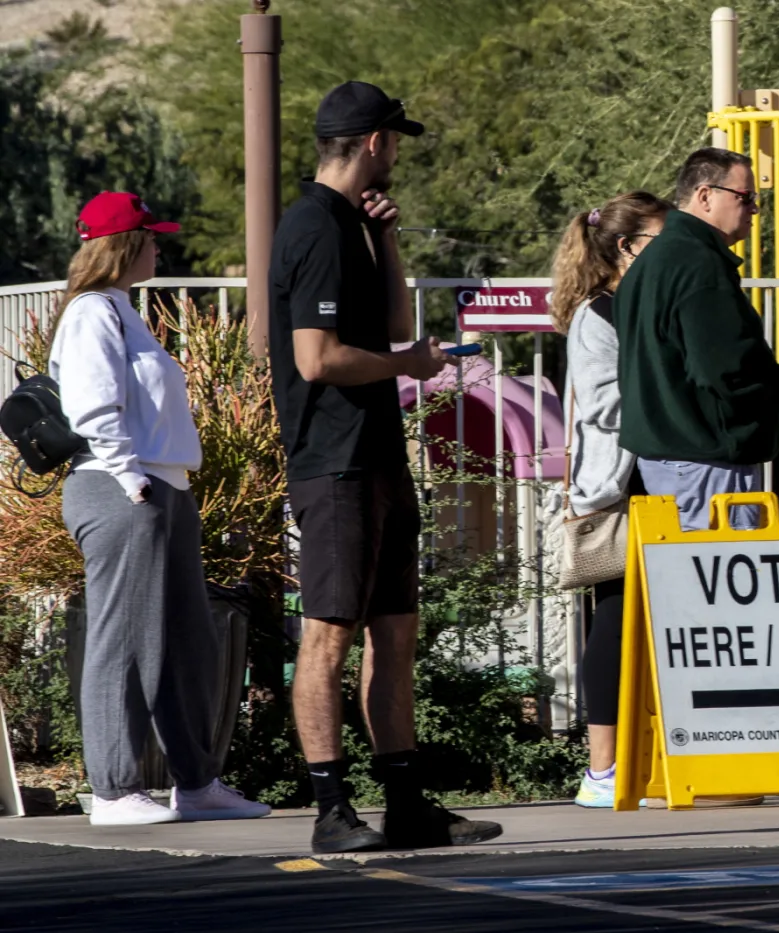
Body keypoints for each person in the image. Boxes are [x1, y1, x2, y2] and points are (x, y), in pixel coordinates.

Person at [268, 81, 502, 852]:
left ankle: (407, 803)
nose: (398, 151)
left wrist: (387, 239)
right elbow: (317, 358)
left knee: (394, 632)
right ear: (374, 142)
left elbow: (397, 325)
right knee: (327, 636)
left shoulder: (355, 226)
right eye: (395, 139)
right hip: (333, 463)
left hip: (377, 455)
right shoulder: (312, 227)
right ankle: (331, 810)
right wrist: (407, 363)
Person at [51, 192, 271, 826]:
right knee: (123, 638)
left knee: (184, 639)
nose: (158, 247)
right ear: (123, 246)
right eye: (150, 238)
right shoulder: (92, 311)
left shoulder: (124, 310)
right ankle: (114, 790)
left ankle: (197, 784)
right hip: (121, 486)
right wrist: (129, 478)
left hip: (160, 485)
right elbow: (92, 405)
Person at [613, 147, 779, 532]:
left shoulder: (652, 262)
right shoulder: (699, 265)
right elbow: (727, 370)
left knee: (681, 569)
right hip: (706, 462)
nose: (754, 209)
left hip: (669, 459)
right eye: (745, 197)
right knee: (721, 567)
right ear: (705, 196)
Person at [550, 191, 671, 809]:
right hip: (620, 487)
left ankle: (645, 760)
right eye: (660, 241)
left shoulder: (640, 305)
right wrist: (672, 390)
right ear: (627, 248)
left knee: (651, 622)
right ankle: (602, 769)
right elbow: (600, 403)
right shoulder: (599, 315)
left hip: (652, 477)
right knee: (616, 618)